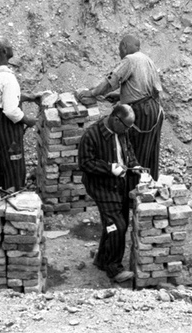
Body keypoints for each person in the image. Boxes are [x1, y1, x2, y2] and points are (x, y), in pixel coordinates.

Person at [78, 34, 165, 179]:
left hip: (142, 112)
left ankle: (135, 192)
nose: (119, 53)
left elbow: (112, 80)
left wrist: (92, 93)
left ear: (124, 46)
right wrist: (121, 97)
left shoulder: (129, 60)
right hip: (155, 111)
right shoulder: (147, 60)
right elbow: (148, 90)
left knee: (135, 154)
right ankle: (151, 191)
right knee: (150, 154)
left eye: (119, 49)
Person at [79, 104, 141, 285]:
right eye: (127, 126)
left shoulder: (121, 130)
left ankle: (102, 260)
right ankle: (114, 269)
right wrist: (109, 168)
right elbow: (85, 163)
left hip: (119, 185)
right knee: (117, 226)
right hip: (101, 187)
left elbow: (127, 150)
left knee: (112, 223)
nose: (128, 130)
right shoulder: (91, 135)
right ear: (116, 119)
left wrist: (134, 164)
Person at [0, 36, 39, 192]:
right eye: (10, 45)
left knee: (1, 164)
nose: (12, 47)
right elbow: (10, 110)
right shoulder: (7, 78)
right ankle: (15, 198)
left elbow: (0, 97)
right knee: (14, 166)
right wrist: (28, 120)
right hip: (7, 130)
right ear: (4, 51)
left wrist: (29, 97)